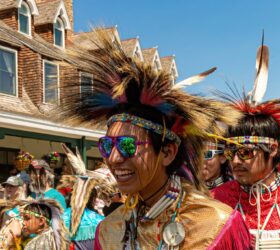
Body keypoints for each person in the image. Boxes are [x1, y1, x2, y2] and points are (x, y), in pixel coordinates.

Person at [62, 28, 251, 249]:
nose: (112, 159)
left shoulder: (214, 225)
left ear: (167, 153)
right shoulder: (107, 231)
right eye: (107, 146)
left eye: (127, 145)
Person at [212, 43, 280, 249]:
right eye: (230, 152)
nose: (235, 161)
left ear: (273, 149)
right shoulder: (216, 201)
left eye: (245, 152)